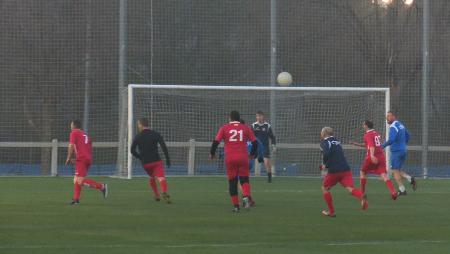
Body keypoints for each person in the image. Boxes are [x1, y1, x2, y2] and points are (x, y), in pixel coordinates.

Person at [210, 111, 258, 212]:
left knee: (232, 182)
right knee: (244, 179)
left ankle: (236, 206)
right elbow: (255, 142)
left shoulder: (224, 128)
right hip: (243, 158)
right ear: (239, 118)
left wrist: (212, 153)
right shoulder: (245, 128)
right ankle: (245, 197)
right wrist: (252, 154)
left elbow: (216, 142)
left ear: (230, 118)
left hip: (230, 159)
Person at [320, 127, 368, 217]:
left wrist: (325, 165)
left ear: (324, 133)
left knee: (324, 188)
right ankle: (361, 196)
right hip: (345, 169)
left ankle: (331, 212)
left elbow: (326, 153)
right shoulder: (337, 141)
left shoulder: (325, 142)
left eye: (321, 132)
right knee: (350, 189)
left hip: (334, 171)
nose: (321, 134)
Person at [350, 120, 397, 200]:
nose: (362, 126)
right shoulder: (376, 133)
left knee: (362, 172)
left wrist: (371, 155)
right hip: (381, 156)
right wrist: (356, 144)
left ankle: (362, 193)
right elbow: (368, 145)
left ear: (366, 126)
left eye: (363, 124)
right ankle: (393, 191)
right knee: (383, 175)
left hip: (373, 156)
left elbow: (371, 146)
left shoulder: (367, 135)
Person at [66, 120, 107, 205]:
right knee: (76, 180)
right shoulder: (85, 135)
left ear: (74, 126)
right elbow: (87, 148)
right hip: (87, 159)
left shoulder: (74, 133)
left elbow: (71, 145)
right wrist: (78, 160)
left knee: (80, 181)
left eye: (71, 125)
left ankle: (102, 186)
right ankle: (76, 200)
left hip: (82, 159)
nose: (70, 127)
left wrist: (69, 157)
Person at [131, 118, 172, 203]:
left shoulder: (138, 136)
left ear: (141, 125)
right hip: (156, 161)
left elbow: (132, 150)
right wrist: (167, 159)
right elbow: (163, 147)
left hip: (146, 163)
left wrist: (139, 157)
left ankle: (157, 195)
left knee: (152, 177)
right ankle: (163, 191)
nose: (138, 126)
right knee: (161, 177)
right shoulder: (155, 134)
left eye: (138, 124)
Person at [382, 111, 417, 196]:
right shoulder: (400, 125)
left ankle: (402, 190)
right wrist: (403, 144)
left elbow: (391, 140)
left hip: (396, 152)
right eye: (387, 116)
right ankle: (410, 179)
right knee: (398, 170)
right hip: (403, 150)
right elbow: (408, 135)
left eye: (389, 116)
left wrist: (381, 146)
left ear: (394, 116)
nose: (387, 118)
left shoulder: (393, 127)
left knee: (394, 171)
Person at [251, 111, 276, 183]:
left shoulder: (267, 126)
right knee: (247, 160)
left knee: (266, 162)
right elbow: (249, 136)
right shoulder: (253, 125)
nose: (258, 117)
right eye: (257, 116)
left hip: (264, 147)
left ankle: (269, 178)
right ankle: (244, 176)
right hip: (255, 147)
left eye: (260, 116)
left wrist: (273, 146)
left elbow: (272, 137)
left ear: (263, 116)